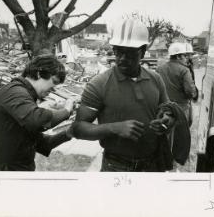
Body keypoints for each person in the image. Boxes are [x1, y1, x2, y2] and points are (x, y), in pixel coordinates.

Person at [71, 18, 170, 172]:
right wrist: (114, 128)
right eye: (118, 51)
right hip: (117, 167)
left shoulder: (155, 79)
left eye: (130, 53)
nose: (122, 58)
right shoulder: (98, 84)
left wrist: (165, 121)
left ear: (143, 51)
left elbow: (166, 111)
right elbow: (77, 128)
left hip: (152, 164)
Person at [0, 55, 74, 171]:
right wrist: (67, 110)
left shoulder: (24, 97)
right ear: (39, 74)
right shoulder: (14, 92)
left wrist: (69, 133)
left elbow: (41, 143)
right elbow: (38, 120)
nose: (54, 89)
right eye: (54, 81)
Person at [156, 41, 198, 126]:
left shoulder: (159, 69)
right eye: (184, 56)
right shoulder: (184, 70)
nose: (186, 58)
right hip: (181, 108)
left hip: (164, 108)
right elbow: (190, 91)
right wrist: (193, 95)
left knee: (165, 133)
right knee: (181, 135)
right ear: (178, 56)